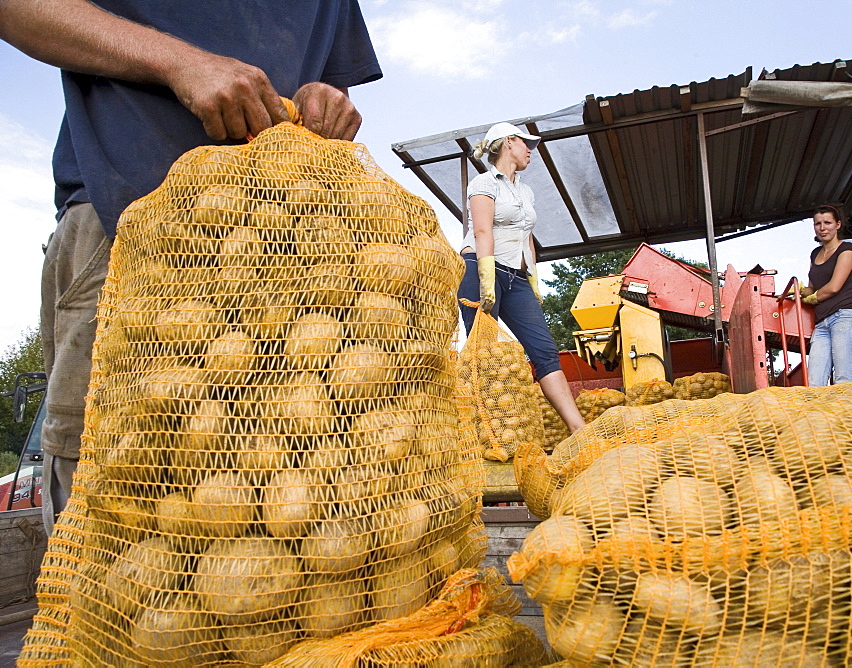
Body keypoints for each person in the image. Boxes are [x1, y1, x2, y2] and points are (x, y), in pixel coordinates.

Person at [0, 0, 382, 535]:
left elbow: (331, 88)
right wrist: (180, 63)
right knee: (109, 475)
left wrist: (326, 101)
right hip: (129, 218)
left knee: (308, 463)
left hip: (287, 247)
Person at [457, 122, 587, 433]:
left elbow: (527, 235)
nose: (530, 149)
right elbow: (482, 230)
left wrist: (533, 277)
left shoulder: (525, 190)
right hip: (480, 269)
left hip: (517, 277)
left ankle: (578, 428)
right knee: (484, 354)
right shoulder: (483, 183)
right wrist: (487, 278)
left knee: (544, 350)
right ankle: (487, 432)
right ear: (508, 143)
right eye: (525, 143)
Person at [800, 205, 852, 386]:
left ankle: (849, 414)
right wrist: (799, 291)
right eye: (818, 224)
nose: (822, 228)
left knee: (843, 379)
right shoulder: (815, 253)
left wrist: (814, 298)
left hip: (845, 317)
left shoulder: (847, 250)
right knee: (815, 383)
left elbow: (833, 287)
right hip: (822, 323)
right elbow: (813, 288)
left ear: (838, 225)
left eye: (827, 223)